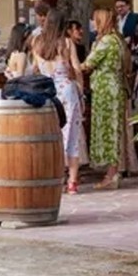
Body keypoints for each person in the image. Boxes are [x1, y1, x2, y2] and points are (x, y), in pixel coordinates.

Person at [32, 16, 84, 194]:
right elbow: (76, 68)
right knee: (72, 136)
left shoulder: (37, 43)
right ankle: (72, 181)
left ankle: (55, 177)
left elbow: (35, 69)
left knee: (50, 135)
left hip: (47, 92)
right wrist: (81, 88)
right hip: (67, 91)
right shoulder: (67, 43)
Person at [84, 8, 132, 190]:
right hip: (116, 88)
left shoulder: (105, 42)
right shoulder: (118, 40)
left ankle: (111, 174)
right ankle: (113, 171)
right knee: (114, 130)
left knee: (109, 131)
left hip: (106, 91)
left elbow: (89, 64)